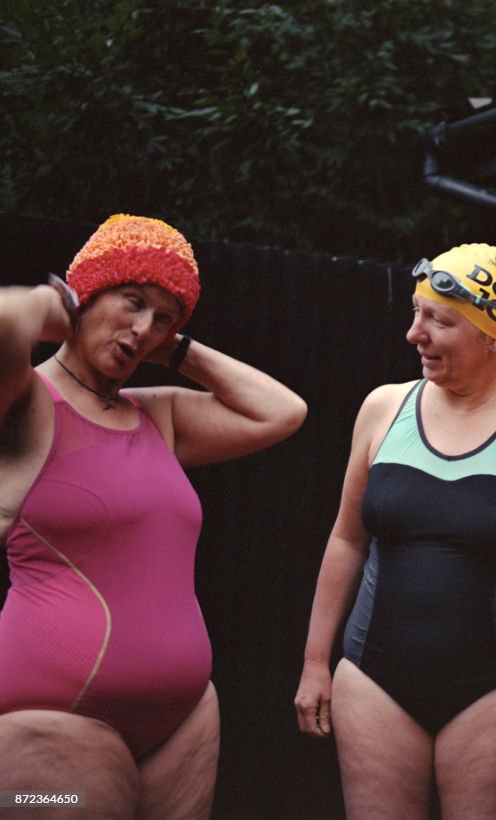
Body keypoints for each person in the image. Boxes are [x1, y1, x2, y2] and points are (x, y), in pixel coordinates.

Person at [0, 214, 307, 819]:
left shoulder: (156, 415)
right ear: (85, 294)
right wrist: (50, 303)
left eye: (163, 319)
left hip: (181, 722)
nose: (142, 331)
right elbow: (6, 323)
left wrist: (182, 351)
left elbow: (283, 412)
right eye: (131, 302)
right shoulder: (25, 404)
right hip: (54, 724)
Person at [294, 244, 496, 818]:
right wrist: (316, 660)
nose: (414, 334)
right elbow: (347, 538)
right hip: (374, 680)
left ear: (492, 335)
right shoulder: (383, 409)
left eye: (437, 320)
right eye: (416, 313)